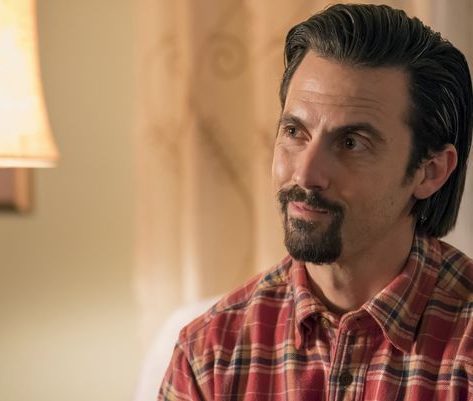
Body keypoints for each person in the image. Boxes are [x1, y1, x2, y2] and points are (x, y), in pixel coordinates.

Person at [159, 4, 472, 400]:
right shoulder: (208, 356)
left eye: (351, 143)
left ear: (430, 172)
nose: (306, 174)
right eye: (294, 131)